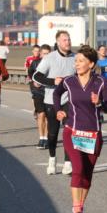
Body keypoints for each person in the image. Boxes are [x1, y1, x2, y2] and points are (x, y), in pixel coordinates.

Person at [54, 45, 107, 213]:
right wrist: (58, 110)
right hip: (72, 131)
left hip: (93, 134)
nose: (77, 64)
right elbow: (56, 93)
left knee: (87, 174)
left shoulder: (101, 82)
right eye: (76, 61)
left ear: (91, 64)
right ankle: (77, 209)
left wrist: (100, 102)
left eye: (81, 61)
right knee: (78, 168)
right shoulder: (69, 81)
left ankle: (80, 207)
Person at [32, 31, 76, 174]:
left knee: (69, 131)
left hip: (69, 100)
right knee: (53, 133)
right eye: (64, 40)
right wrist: (53, 81)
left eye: (69, 39)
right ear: (58, 42)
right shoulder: (50, 58)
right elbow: (36, 76)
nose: (68, 42)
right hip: (51, 100)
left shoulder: (75, 58)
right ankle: (52, 159)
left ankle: (68, 163)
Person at [28, 44, 51, 148]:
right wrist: (34, 82)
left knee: (48, 116)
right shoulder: (35, 63)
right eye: (44, 53)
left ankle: (47, 138)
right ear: (40, 54)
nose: (46, 56)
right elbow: (30, 74)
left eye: (48, 54)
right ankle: (41, 138)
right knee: (41, 115)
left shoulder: (53, 64)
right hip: (38, 92)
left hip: (49, 92)